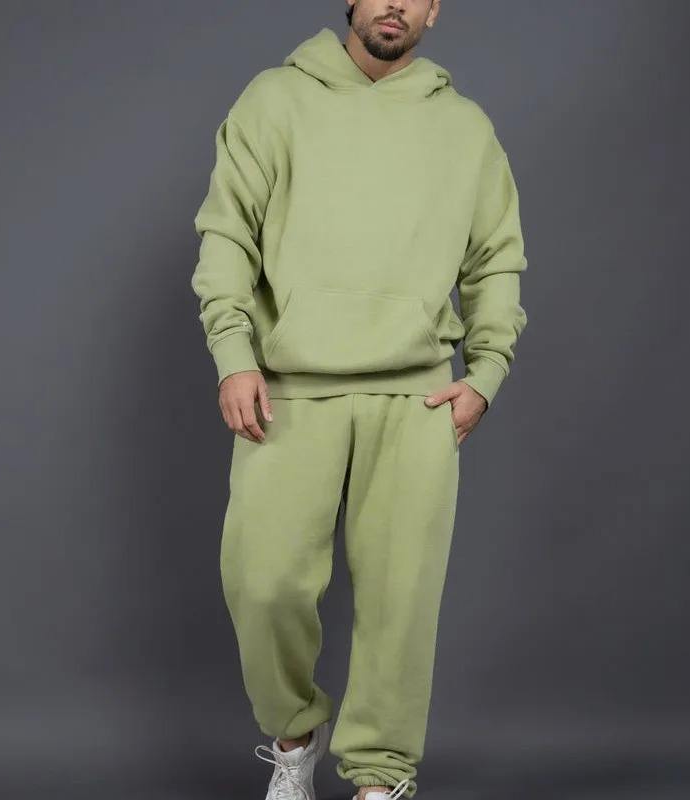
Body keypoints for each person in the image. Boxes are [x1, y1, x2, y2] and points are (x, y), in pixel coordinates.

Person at [191, 2, 528, 798]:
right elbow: (228, 233)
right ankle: (293, 739)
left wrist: (485, 375)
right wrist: (233, 356)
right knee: (264, 582)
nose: (394, 4)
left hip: (415, 397)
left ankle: (381, 778)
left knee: (400, 604)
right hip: (288, 391)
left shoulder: (464, 127)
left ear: (434, 9)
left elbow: (495, 258)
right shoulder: (274, 100)